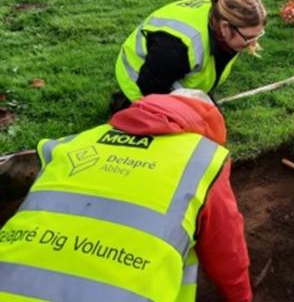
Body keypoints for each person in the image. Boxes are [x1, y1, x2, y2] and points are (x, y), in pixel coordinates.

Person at [0, 89, 252, 302]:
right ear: (212, 124)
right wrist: (241, 297)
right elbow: (226, 251)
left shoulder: (73, 143)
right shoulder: (201, 159)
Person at [112, 0, 267, 113]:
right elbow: (151, 87)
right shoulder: (178, 46)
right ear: (225, 27)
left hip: (170, 73)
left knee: (211, 125)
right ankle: (125, 105)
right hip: (142, 83)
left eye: (257, 35)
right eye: (248, 37)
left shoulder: (221, 18)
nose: (252, 43)